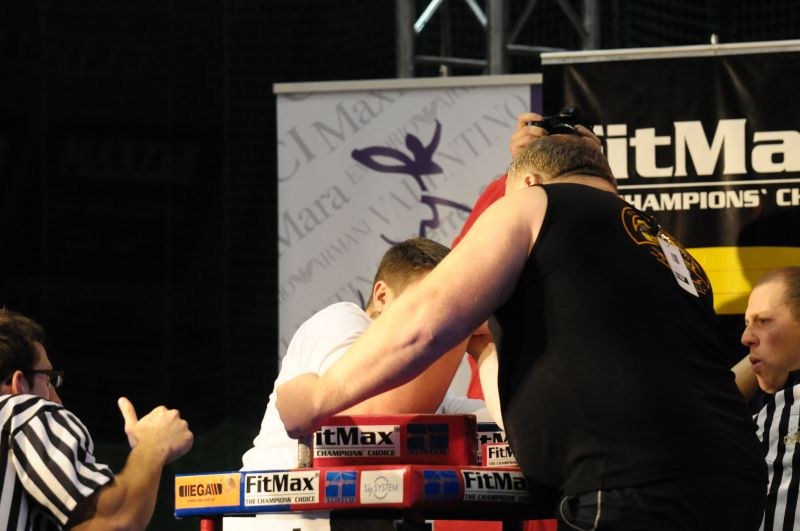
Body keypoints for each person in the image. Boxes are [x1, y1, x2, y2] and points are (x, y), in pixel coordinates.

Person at [276, 125, 767, 530]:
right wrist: (485, 351)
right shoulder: (669, 251)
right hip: (735, 482)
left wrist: (320, 396)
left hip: (635, 486)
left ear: (529, 182)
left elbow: (425, 321)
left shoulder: (535, 203)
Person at [226, 237, 478, 531]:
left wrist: (488, 343)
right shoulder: (344, 320)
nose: (437, 320)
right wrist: (466, 319)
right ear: (382, 296)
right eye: (425, 305)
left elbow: (495, 423)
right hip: (276, 516)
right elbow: (373, 423)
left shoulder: (419, 385)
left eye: (446, 308)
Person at [0, 308, 194, 531]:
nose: (57, 399)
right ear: (18, 383)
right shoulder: (23, 412)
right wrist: (154, 445)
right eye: (48, 380)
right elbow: (115, 520)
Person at [734, 267, 800, 531]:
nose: (745, 337)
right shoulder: (767, 414)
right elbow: (704, 408)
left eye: (763, 320)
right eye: (747, 323)